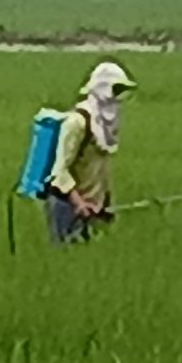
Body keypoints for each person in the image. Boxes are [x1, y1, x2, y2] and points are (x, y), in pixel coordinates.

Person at [45, 61, 133, 244]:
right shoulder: (76, 123)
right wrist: (79, 203)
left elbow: (101, 169)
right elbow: (59, 171)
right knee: (67, 261)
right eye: (114, 90)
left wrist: (106, 203)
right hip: (69, 206)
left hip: (95, 207)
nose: (116, 97)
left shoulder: (108, 125)